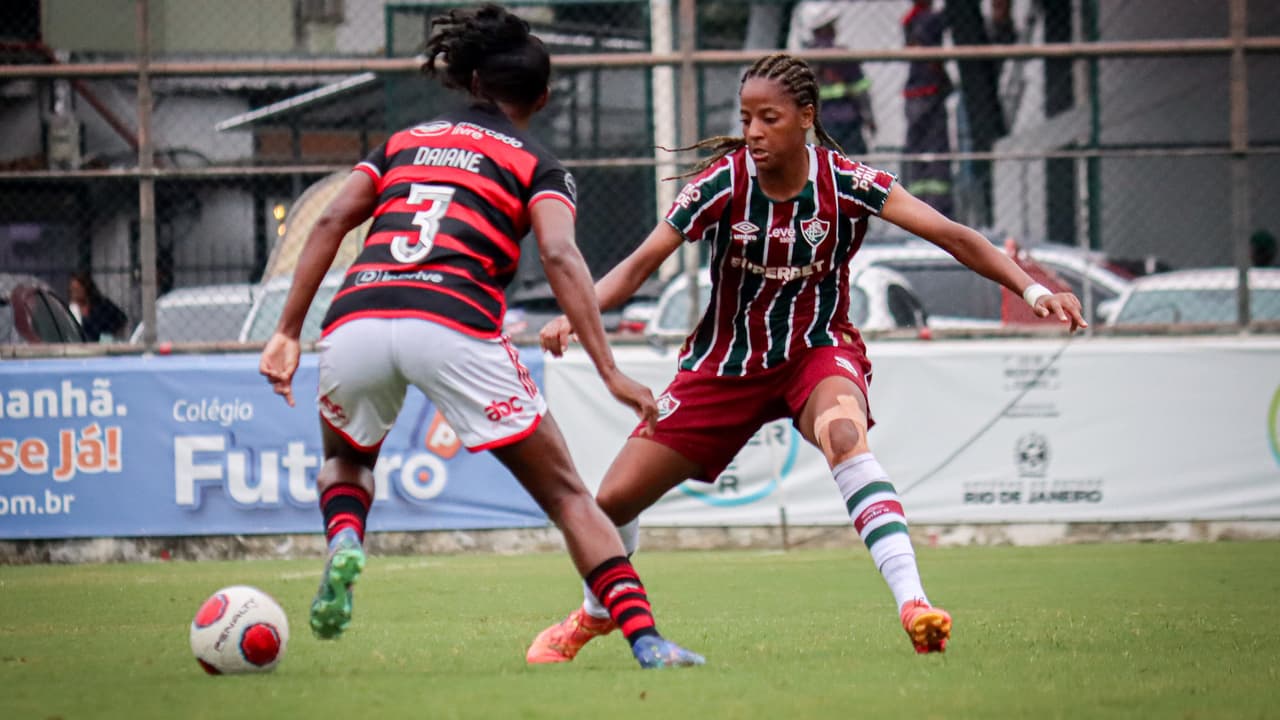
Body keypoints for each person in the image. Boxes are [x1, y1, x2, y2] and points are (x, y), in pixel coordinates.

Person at [525, 51, 1086, 664]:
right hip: (726, 366)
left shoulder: (847, 181)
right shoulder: (720, 185)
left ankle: (915, 603)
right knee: (612, 503)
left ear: (806, 118)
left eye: (769, 117)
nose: (754, 132)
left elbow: (955, 236)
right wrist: (576, 319)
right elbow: (637, 266)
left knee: (845, 435)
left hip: (816, 352)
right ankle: (597, 613)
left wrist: (1033, 290)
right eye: (746, 119)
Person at [257, 3, 703, 669]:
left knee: (347, 461)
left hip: (356, 317)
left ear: (470, 83)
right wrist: (609, 369)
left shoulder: (402, 143)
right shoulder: (537, 164)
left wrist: (286, 332)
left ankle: (346, 537)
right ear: (543, 98)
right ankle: (647, 642)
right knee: (567, 496)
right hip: (454, 323)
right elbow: (560, 255)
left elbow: (328, 225)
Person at [902, 0, 954, 217]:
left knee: (917, 151)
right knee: (936, 150)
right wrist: (944, 80)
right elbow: (932, 56)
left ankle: (918, 206)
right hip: (929, 92)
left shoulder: (910, 20)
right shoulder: (928, 19)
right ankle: (937, 207)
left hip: (915, 94)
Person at [808, 16, 875, 156]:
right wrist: (869, 117)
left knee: (827, 164)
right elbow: (860, 89)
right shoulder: (843, 55)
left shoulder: (806, 57)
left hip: (822, 119)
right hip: (848, 117)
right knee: (855, 163)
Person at [68, 271, 127, 342]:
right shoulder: (72, 309)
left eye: (77, 290)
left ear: (86, 288)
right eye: (73, 290)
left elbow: (121, 320)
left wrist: (109, 339)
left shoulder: (102, 305)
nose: (75, 293)